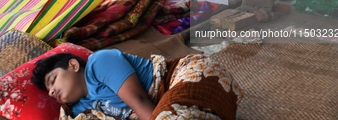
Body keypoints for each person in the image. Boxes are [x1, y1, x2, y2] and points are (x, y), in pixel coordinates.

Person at [31, 49, 243, 119]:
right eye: (48, 90)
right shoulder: (77, 108)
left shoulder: (98, 63)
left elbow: (140, 102)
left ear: (74, 65)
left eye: (52, 80)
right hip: (160, 109)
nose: (51, 91)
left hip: (180, 77)